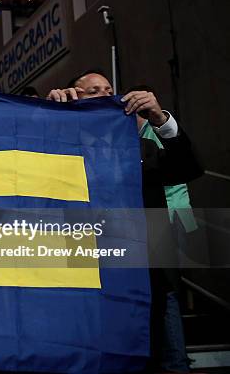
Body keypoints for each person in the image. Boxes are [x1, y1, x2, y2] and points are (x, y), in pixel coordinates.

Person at [47, 71, 202, 373]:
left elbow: (188, 168)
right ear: (74, 96)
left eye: (109, 89)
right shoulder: (58, 142)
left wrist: (159, 119)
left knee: (167, 361)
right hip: (83, 282)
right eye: (94, 91)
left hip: (146, 279)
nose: (106, 95)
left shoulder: (138, 148)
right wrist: (50, 115)